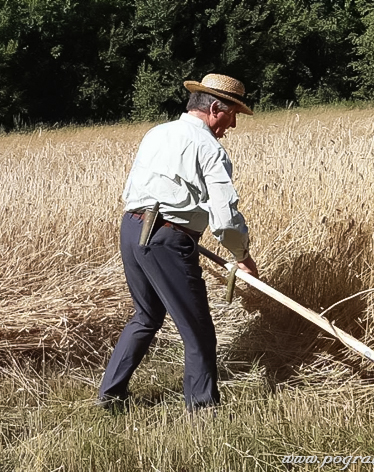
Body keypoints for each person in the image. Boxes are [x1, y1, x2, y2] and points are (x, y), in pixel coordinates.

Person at [98, 74, 259, 412]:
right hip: (166, 238)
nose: (232, 126)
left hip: (131, 228)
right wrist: (241, 255)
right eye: (233, 116)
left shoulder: (157, 133)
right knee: (197, 329)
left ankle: (110, 397)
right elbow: (225, 217)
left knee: (145, 316)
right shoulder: (210, 148)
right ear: (216, 108)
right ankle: (202, 410)